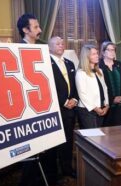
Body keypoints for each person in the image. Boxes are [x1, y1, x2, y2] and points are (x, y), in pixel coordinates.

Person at [16, 13, 58, 186]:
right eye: (35, 27)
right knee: (29, 151)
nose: (40, 30)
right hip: (27, 109)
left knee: (47, 147)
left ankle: (44, 182)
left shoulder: (43, 49)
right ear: (25, 30)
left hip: (45, 106)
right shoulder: (16, 50)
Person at [48, 36, 78, 178]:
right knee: (53, 144)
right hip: (55, 110)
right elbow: (48, 88)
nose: (61, 45)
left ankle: (67, 169)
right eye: (57, 43)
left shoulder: (70, 63)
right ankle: (53, 174)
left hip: (70, 111)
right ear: (49, 47)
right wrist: (63, 102)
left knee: (68, 141)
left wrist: (75, 99)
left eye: (62, 43)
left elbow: (75, 85)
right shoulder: (45, 63)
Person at [75, 44, 109, 129]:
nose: (97, 55)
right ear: (86, 57)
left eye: (97, 53)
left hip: (101, 108)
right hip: (87, 111)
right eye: (93, 54)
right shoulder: (80, 73)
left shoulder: (99, 71)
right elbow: (82, 94)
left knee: (99, 138)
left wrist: (107, 105)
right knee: (91, 138)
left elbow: (104, 88)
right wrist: (95, 108)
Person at [99, 41, 121, 126]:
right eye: (109, 50)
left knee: (118, 132)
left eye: (113, 50)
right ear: (103, 52)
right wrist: (112, 99)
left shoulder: (120, 65)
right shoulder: (98, 66)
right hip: (105, 107)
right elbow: (99, 88)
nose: (112, 52)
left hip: (120, 106)